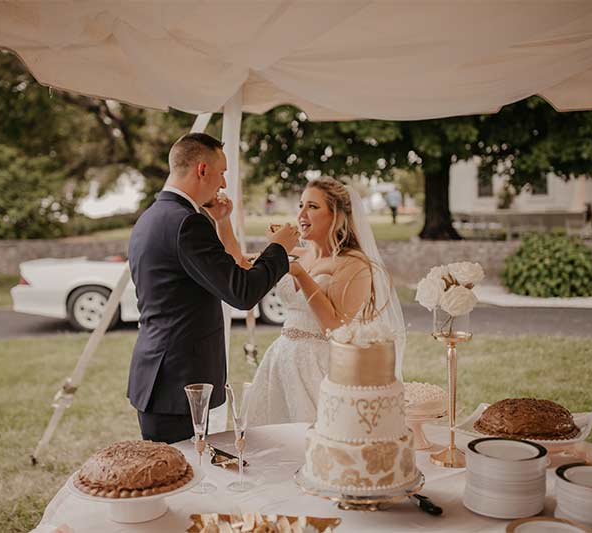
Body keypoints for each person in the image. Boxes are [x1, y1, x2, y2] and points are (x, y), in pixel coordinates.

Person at [127, 133, 299, 443]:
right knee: (183, 477)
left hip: (162, 377)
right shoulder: (187, 223)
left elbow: (228, 274)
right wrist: (278, 250)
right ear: (202, 170)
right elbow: (242, 292)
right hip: (177, 382)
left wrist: (222, 223)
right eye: (221, 173)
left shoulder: (153, 217)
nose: (222, 184)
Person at [250, 177, 406, 426]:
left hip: (319, 371)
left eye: (312, 207)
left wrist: (300, 273)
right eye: (301, 205)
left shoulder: (355, 264)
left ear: (336, 216)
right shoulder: (302, 253)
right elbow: (240, 262)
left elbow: (334, 328)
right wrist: (223, 220)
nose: (301, 214)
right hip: (280, 361)